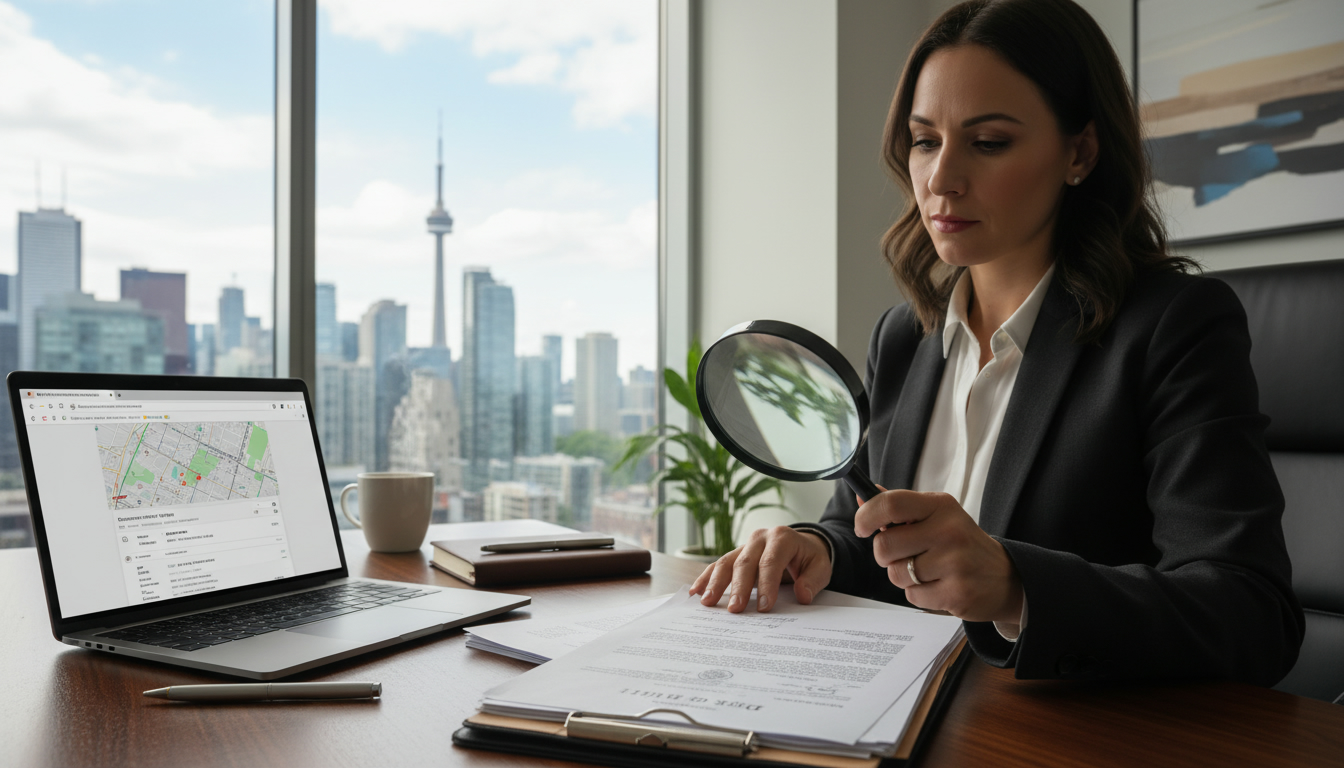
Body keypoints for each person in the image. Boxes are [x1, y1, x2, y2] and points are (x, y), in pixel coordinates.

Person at [690, 0, 1304, 686]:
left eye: (988, 143)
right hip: (896, 710)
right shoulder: (904, 337)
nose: (941, 179)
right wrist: (815, 547)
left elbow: (1252, 618)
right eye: (925, 140)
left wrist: (1016, 586)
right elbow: (865, 529)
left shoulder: (1173, 326)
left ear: (1080, 152)